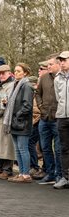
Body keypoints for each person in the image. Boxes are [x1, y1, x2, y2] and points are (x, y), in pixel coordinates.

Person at [3, 63, 33, 183]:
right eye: (15, 71)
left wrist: (17, 115)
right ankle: (21, 173)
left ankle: (26, 174)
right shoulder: (16, 85)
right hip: (14, 122)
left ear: (25, 73)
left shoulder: (26, 86)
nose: (16, 73)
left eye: (19, 71)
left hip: (22, 122)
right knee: (17, 149)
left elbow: (27, 106)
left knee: (23, 149)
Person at [36, 54, 62, 185]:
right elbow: (38, 94)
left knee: (58, 149)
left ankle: (59, 174)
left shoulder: (63, 78)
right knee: (45, 147)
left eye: (51, 64)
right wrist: (41, 106)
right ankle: (50, 173)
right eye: (48, 65)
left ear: (58, 64)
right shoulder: (44, 78)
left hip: (57, 118)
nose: (48, 66)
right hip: (44, 118)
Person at [53, 51, 69, 189]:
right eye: (60, 60)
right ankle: (66, 177)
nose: (62, 63)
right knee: (64, 148)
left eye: (64, 60)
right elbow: (58, 98)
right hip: (62, 117)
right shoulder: (57, 78)